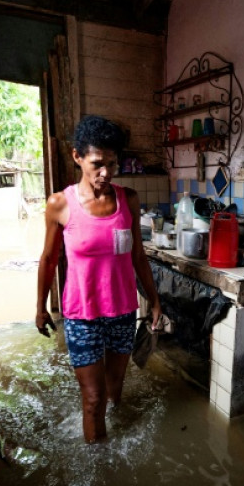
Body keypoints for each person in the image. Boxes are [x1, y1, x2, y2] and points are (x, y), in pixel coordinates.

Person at [36, 115, 163, 443]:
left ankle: (115, 440)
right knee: (93, 400)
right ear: (77, 157)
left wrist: (154, 300)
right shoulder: (60, 204)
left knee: (114, 389)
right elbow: (48, 259)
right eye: (97, 164)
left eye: (112, 163)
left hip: (122, 312)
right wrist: (40, 307)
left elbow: (138, 256)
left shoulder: (128, 200)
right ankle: (99, 462)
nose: (106, 172)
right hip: (82, 316)